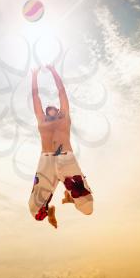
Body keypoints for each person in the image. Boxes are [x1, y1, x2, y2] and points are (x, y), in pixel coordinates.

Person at [28, 64, 94, 229]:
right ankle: (50, 210)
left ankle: (71, 197)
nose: (50, 109)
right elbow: (35, 97)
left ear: (59, 110)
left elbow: (62, 92)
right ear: (44, 112)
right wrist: (34, 76)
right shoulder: (41, 120)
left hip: (66, 158)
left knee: (88, 208)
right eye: (46, 109)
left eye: (53, 108)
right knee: (35, 211)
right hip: (46, 160)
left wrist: (53, 71)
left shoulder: (64, 117)